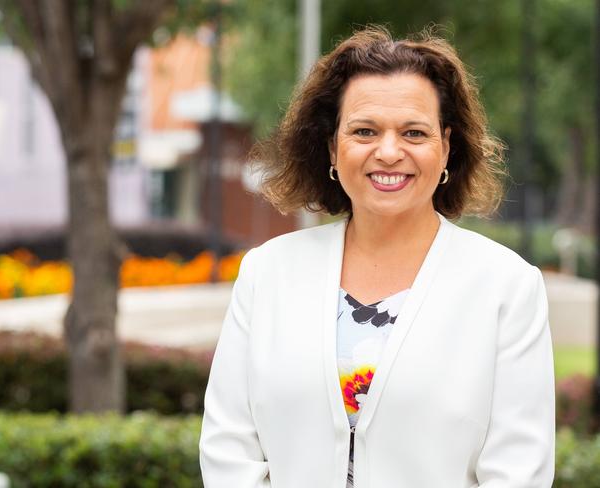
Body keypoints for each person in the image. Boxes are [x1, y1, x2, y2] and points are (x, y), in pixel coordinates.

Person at [199, 25, 555, 488]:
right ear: (332, 146)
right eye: (364, 131)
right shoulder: (266, 273)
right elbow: (229, 450)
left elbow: (518, 472)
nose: (389, 152)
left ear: (446, 147)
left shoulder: (507, 287)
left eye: (414, 132)